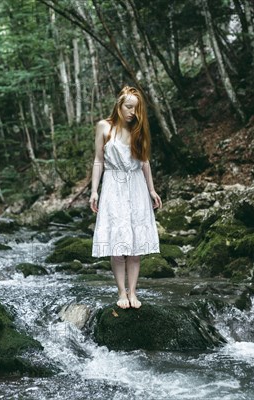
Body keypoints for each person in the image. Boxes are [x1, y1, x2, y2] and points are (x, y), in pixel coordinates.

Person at [90, 86, 162, 309]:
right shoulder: (104, 127)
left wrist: (151, 190)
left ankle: (133, 291)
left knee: (135, 245)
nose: (132, 112)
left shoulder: (138, 130)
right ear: (119, 106)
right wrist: (94, 190)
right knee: (118, 242)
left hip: (136, 187)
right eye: (128, 107)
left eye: (136, 108)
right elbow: (98, 161)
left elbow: (145, 162)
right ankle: (121, 291)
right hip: (113, 186)